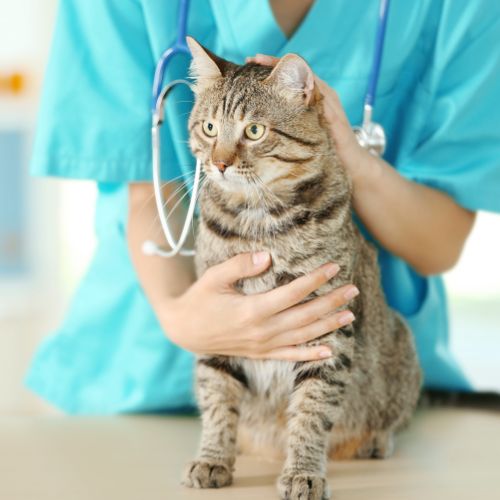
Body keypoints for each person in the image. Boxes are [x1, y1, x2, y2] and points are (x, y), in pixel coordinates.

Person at [26, 0, 500, 414]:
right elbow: (146, 190)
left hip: (352, 385)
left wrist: (350, 158)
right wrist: (179, 317)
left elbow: (441, 243)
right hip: (143, 376)